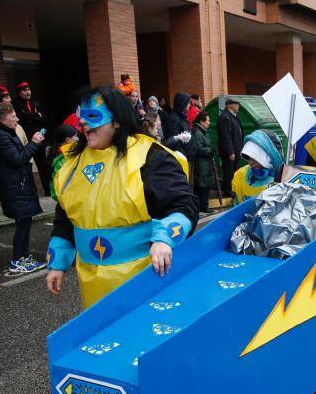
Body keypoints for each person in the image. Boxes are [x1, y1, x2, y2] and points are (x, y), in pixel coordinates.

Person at [45, 87, 199, 308]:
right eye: (82, 118)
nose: (84, 125)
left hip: (144, 275)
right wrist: (57, 263)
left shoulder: (150, 156)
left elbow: (185, 204)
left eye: (93, 117)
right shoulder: (72, 165)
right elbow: (66, 218)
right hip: (92, 282)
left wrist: (164, 239)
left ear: (116, 120)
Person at [0, 103, 47, 273]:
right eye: (13, 116)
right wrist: (34, 143)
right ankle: (17, 260)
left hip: (18, 183)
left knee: (25, 220)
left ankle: (24, 256)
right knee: (22, 222)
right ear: (2, 119)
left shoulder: (5, 133)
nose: (17, 119)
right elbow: (18, 159)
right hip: (13, 185)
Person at [12, 81, 51, 196]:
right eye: (24, 90)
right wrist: (35, 116)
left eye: (29, 90)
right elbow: (22, 117)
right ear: (19, 92)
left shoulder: (35, 103)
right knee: (26, 166)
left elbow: (44, 119)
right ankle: (31, 191)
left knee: (43, 165)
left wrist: (41, 131)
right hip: (26, 140)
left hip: (39, 138)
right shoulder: (16, 104)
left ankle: (48, 190)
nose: (28, 92)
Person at [232, 129, 284, 204]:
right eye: (249, 157)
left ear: (268, 156)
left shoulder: (282, 179)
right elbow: (236, 206)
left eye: (255, 158)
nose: (251, 162)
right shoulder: (241, 175)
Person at [218, 98, 244, 198]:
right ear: (229, 106)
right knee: (229, 171)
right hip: (229, 152)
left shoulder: (233, 116)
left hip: (236, 150)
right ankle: (228, 191)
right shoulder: (225, 117)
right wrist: (230, 152)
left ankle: (231, 189)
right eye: (236, 104)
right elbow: (226, 136)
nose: (238, 106)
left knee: (234, 171)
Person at [47, 124, 80, 201]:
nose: (78, 139)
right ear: (68, 140)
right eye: (75, 136)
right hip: (68, 201)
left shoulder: (67, 154)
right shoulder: (62, 160)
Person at [191, 111, 216, 213]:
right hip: (202, 163)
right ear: (202, 122)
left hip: (205, 162)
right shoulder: (198, 133)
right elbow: (199, 149)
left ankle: (203, 206)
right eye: (208, 121)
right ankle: (203, 206)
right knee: (203, 185)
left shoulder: (202, 132)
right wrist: (211, 151)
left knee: (204, 184)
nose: (209, 123)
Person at [164, 92, 196, 163]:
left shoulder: (181, 117)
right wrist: (184, 155)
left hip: (188, 157)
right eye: (188, 103)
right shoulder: (174, 118)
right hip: (182, 159)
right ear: (182, 104)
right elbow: (175, 140)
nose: (189, 105)